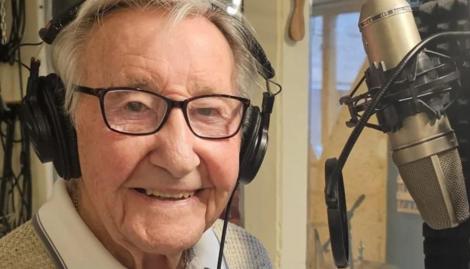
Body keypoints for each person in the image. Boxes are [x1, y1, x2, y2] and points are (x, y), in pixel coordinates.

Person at [0, 0, 275, 268]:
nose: (178, 159)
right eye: (135, 106)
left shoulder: (249, 257)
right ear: (64, 124)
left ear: (248, 137)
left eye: (208, 111)